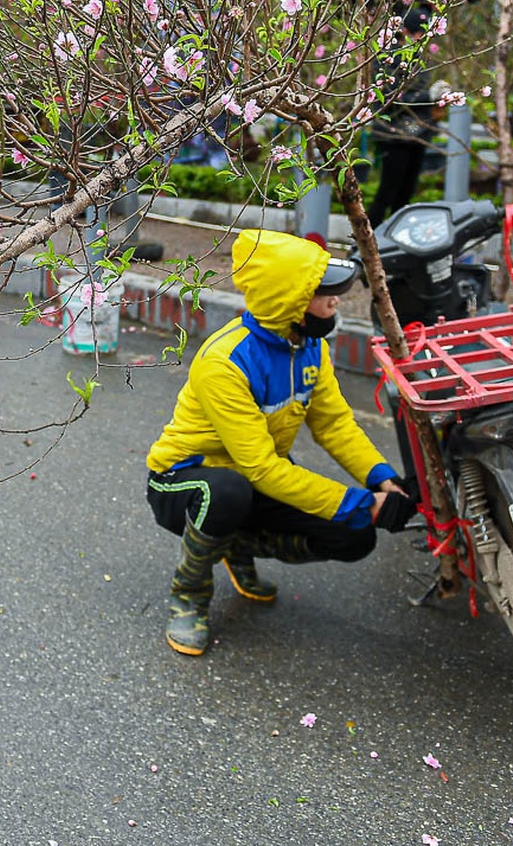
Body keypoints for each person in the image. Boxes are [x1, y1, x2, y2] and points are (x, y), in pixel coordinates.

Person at [144, 230, 415, 655]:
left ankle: (229, 545)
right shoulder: (225, 361)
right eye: (323, 293)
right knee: (229, 493)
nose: (335, 300)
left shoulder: (310, 347)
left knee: (356, 535)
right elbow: (261, 468)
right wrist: (364, 502)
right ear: (287, 300)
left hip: (254, 483)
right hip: (183, 482)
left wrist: (382, 480)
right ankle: (189, 592)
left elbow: (335, 425)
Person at [367, 6, 446, 227]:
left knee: (406, 194)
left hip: (417, 134)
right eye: (418, 32)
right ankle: (367, 240)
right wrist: (427, 96)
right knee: (387, 190)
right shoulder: (388, 56)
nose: (420, 37)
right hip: (392, 135)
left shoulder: (419, 57)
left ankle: (394, 241)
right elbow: (391, 98)